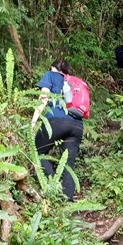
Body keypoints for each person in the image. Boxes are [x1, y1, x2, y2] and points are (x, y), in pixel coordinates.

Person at [32, 59, 83, 202]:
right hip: (77, 125)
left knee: (37, 152)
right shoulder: (74, 82)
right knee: (68, 163)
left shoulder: (50, 75)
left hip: (56, 121)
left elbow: (43, 98)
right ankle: (68, 200)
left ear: (53, 68)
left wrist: (33, 122)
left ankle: (53, 186)